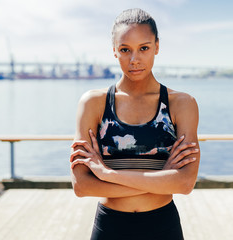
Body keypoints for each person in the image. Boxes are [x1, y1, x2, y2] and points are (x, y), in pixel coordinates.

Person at [70, 8, 200, 240]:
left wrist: (106, 173)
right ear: (114, 52)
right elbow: (82, 186)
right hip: (110, 227)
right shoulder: (94, 103)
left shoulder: (182, 104)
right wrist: (163, 177)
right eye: (125, 50)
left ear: (157, 47)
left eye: (144, 48)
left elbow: (185, 183)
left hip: (163, 226)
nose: (134, 59)